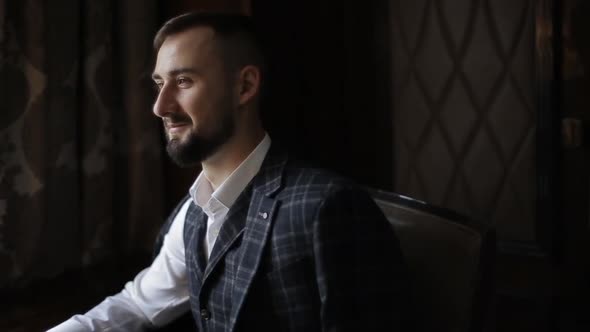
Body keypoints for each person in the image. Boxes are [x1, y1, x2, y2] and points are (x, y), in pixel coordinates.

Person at [49, 12, 411, 332]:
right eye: (160, 84)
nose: (160, 106)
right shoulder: (194, 212)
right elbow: (138, 305)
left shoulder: (330, 207)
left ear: (245, 86)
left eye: (184, 81)